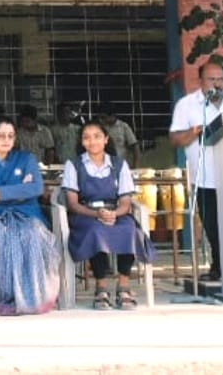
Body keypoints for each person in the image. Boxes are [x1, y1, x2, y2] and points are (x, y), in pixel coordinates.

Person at [169, 61, 223, 282]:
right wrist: (193, 132)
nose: (217, 84)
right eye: (211, 79)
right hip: (206, 177)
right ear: (200, 81)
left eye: (220, 79)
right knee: (213, 225)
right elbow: (175, 139)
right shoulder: (187, 105)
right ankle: (219, 267)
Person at [61, 120, 157, 310]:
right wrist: (96, 214)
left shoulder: (119, 165)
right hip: (86, 214)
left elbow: (125, 202)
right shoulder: (74, 165)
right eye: (87, 138)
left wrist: (114, 214)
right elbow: (72, 204)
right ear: (82, 142)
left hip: (115, 212)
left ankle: (123, 286)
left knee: (129, 229)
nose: (92, 141)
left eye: (97, 136)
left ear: (106, 139)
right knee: (96, 230)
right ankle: (101, 287)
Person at [0, 118, 60, 316]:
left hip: (28, 214)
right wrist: (20, 189)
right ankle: (6, 297)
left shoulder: (26, 159)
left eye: (10, 136)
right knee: (2, 236)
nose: (6, 140)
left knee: (32, 235)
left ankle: (36, 295)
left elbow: (36, 188)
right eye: (1, 135)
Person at [97, 104, 140, 168]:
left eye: (103, 117)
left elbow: (135, 147)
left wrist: (135, 165)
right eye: (100, 118)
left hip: (122, 166)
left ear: (112, 115)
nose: (101, 120)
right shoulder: (100, 128)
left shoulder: (123, 127)